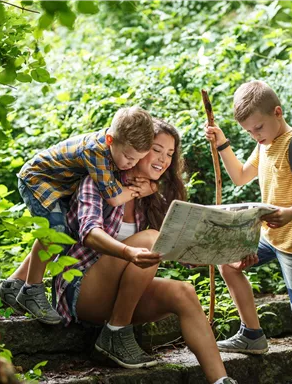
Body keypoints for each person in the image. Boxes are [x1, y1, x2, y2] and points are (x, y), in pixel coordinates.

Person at [54, 119, 238, 384]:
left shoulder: (152, 197)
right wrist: (129, 253)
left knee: (183, 291)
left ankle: (221, 381)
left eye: (170, 154)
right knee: (151, 239)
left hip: (119, 296)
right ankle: (115, 333)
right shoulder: (98, 181)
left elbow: (180, 252)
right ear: (138, 148)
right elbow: (89, 232)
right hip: (81, 288)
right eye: (157, 149)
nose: (163, 160)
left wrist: (230, 256)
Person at [205, 80, 292, 384]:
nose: (254, 135)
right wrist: (222, 143)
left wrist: (289, 214)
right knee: (228, 263)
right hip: (270, 236)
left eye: (258, 128)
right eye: (249, 131)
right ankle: (252, 334)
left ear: (278, 112)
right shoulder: (264, 145)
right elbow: (240, 176)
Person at [0, 106, 155, 324]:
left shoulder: (112, 151)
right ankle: (31, 289)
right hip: (38, 181)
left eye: (137, 160)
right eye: (128, 157)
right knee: (55, 232)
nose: (131, 164)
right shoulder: (96, 151)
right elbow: (114, 197)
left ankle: (12, 285)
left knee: (63, 232)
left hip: (61, 185)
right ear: (110, 139)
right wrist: (142, 190)